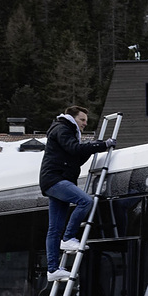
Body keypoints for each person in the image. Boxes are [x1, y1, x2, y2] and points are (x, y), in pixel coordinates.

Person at [40, 104, 113, 281]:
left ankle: (52, 270)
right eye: (82, 120)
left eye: (86, 121)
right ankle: (69, 238)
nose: (85, 124)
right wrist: (102, 145)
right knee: (86, 201)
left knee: (54, 228)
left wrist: (93, 147)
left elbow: (77, 157)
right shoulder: (62, 129)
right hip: (56, 179)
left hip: (55, 179)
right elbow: (75, 149)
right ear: (71, 117)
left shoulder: (64, 131)